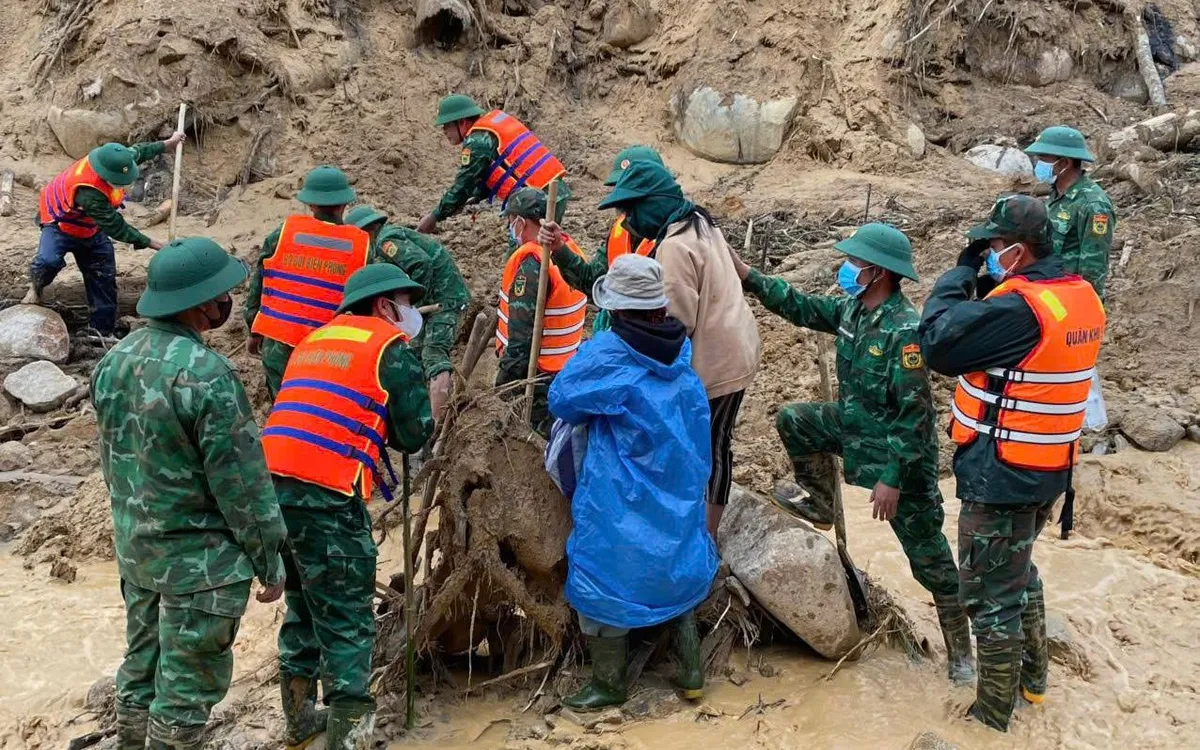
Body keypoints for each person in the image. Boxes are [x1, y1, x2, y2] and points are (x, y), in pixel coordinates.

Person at [727, 223, 973, 685]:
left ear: (878, 271)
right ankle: (819, 500)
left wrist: (893, 478)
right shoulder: (852, 311)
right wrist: (748, 276)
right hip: (857, 430)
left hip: (901, 458)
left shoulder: (904, 330)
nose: (847, 268)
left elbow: (915, 417)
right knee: (796, 420)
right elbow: (801, 307)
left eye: (855, 262)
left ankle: (961, 654)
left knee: (931, 563)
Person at [91, 237, 287, 750]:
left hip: (138, 553)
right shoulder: (207, 376)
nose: (228, 303)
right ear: (202, 304)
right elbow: (243, 487)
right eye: (223, 295)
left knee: (140, 671)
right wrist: (269, 560)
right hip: (202, 568)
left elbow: (113, 460)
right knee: (185, 694)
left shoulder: (114, 360)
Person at [919, 195, 1106, 731]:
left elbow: (937, 342)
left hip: (1002, 474)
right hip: (1048, 466)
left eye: (994, 246)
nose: (989, 254)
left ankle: (991, 720)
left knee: (988, 598)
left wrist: (961, 272)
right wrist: (987, 279)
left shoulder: (1021, 310)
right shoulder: (1078, 296)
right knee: (1018, 574)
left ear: (1018, 252)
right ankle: (1033, 684)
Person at [262, 264, 434, 750]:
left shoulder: (313, 340)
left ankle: (300, 721)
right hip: (326, 495)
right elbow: (414, 433)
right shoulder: (388, 346)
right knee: (347, 619)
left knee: (302, 604)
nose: (411, 313)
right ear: (383, 306)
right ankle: (348, 739)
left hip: (270, 490)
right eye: (406, 303)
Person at [540, 161, 760, 537]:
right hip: (735, 344)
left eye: (631, 211)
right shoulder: (698, 221)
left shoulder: (673, 246)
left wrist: (626, 362)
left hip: (716, 360)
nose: (627, 222)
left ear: (652, 203)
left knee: (706, 448)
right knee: (713, 443)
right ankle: (697, 530)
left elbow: (674, 325)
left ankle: (702, 533)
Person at [549, 254, 718, 710]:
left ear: (617, 309)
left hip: (622, 494)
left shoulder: (610, 352)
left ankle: (609, 684)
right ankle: (691, 672)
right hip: (677, 493)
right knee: (677, 567)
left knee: (600, 574)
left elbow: (562, 399)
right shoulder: (680, 351)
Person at [29, 132, 186, 334]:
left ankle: (101, 333)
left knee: (103, 279)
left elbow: (140, 151)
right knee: (47, 261)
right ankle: (36, 287)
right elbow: (116, 227)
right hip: (60, 224)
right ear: (105, 175)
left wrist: (168, 143)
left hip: (90, 227)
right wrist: (155, 245)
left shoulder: (117, 158)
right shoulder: (89, 192)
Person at [244, 166, 371, 400]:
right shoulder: (362, 245)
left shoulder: (283, 233)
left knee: (284, 407)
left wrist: (254, 328)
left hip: (279, 343)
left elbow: (260, 282)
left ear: (311, 204)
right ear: (345, 204)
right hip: (330, 350)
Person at [345, 205, 470, 422]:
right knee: (415, 352)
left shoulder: (386, 240)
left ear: (366, 232)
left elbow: (421, 264)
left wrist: (412, 301)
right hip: (436, 299)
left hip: (445, 301)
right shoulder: (386, 239)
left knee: (433, 354)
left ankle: (436, 426)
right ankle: (420, 417)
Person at [542, 145, 663, 333]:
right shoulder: (621, 231)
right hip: (617, 337)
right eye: (619, 189)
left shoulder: (674, 237)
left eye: (630, 189)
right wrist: (559, 248)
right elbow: (592, 281)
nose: (622, 199)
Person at [497, 188, 588, 437]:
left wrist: (505, 382)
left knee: (536, 435)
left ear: (521, 221)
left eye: (510, 221)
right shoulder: (568, 250)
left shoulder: (532, 264)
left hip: (536, 375)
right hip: (564, 367)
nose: (509, 228)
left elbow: (521, 333)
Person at [416, 94, 569, 235]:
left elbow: (463, 185)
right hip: (555, 191)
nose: (444, 131)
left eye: (446, 125)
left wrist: (434, 217)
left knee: (524, 251)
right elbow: (499, 170)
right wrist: (475, 195)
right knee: (543, 247)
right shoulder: (491, 126)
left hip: (537, 201)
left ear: (462, 122)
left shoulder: (477, 141)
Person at [1026, 126, 1116, 301]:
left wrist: (1086, 304)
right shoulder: (1056, 193)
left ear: (1064, 163)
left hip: (1070, 297)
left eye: (1043, 158)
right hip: (1049, 290)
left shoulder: (1093, 205)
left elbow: (1093, 265)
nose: (1038, 164)